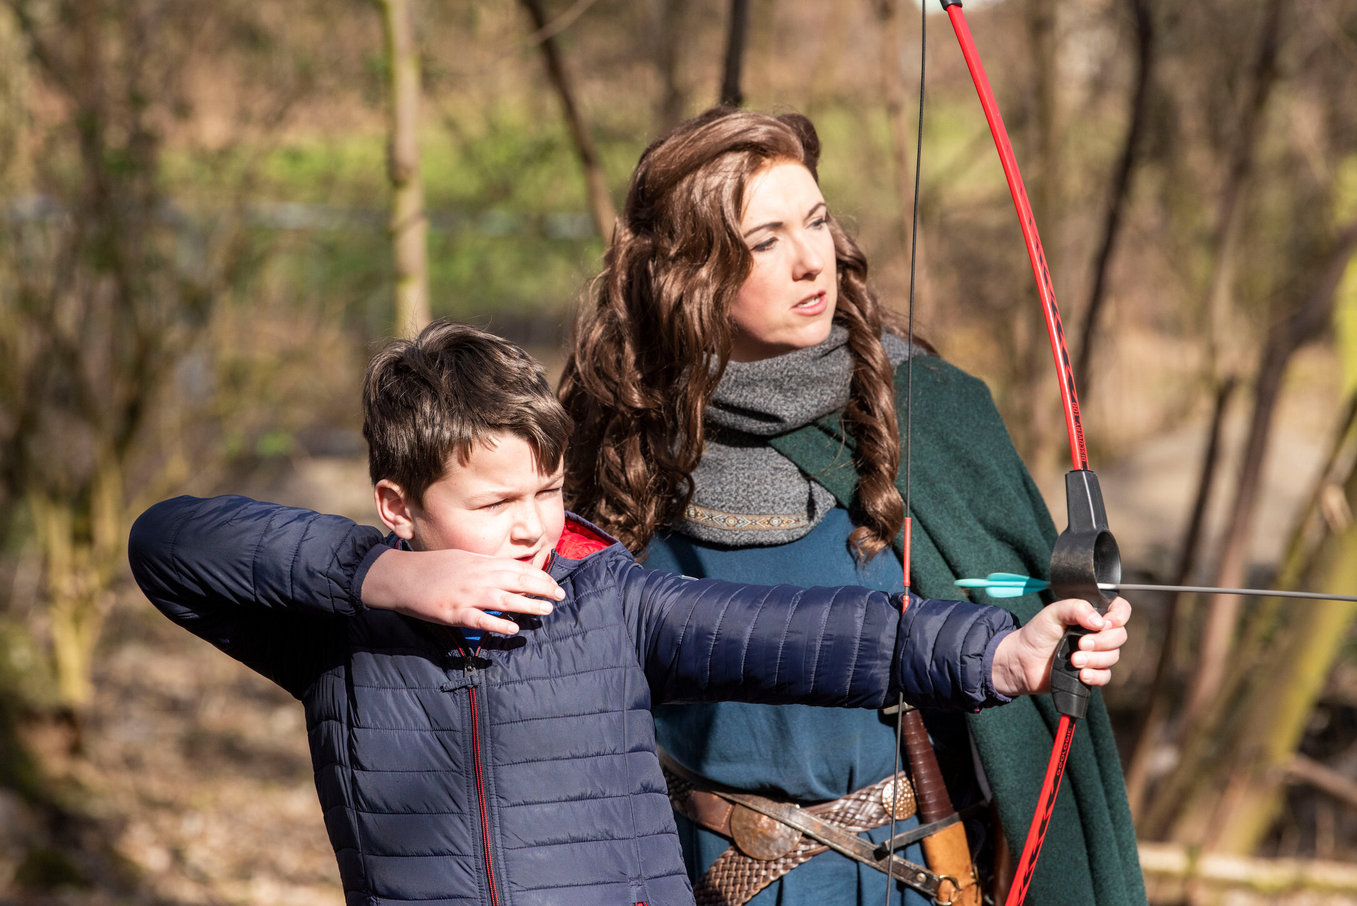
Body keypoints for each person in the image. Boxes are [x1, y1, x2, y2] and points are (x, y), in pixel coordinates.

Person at [128, 321, 1131, 906]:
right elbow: (169, 546)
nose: (529, 527)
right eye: (491, 506)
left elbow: (807, 638)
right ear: (398, 508)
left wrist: (999, 653)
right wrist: (377, 579)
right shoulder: (346, 631)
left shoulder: (608, 600)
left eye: (545, 491)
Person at [552, 107, 1147, 905]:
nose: (811, 261)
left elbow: (1016, 624)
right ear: (684, 273)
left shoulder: (928, 413)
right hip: (686, 875)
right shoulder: (611, 434)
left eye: (817, 221)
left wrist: (1058, 631)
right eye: (764, 241)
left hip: (918, 876)